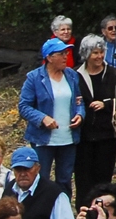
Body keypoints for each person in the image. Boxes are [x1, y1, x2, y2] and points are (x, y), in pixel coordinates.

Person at [18, 38, 83, 194]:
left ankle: (64, 215)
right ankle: (41, 214)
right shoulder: (34, 78)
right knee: (41, 180)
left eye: (66, 53)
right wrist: (42, 118)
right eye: (61, 54)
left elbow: (79, 101)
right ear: (49, 58)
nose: (65, 57)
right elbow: (23, 106)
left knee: (65, 181)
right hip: (43, 140)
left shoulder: (72, 75)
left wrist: (80, 114)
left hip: (68, 139)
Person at [76, 35, 116, 201]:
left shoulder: (114, 74)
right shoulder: (76, 75)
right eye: (94, 53)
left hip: (107, 135)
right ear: (86, 54)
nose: (99, 56)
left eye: (101, 52)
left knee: (103, 179)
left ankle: (103, 211)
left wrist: (106, 104)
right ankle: (84, 212)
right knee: (83, 179)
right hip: (84, 136)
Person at [7, 146, 74, 219]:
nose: (22, 174)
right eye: (18, 169)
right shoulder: (10, 188)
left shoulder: (54, 194)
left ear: (38, 168)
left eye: (27, 169)